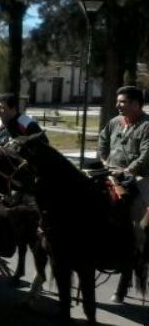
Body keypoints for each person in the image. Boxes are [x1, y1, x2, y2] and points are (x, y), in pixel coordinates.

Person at [98, 85, 149, 303]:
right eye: (118, 101)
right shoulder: (114, 123)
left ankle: (138, 253)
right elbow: (102, 141)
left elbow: (147, 155)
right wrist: (104, 162)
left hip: (140, 178)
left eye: (123, 102)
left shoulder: (147, 126)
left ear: (137, 104)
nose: (117, 105)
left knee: (140, 223)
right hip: (111, 174)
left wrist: (128, 171)